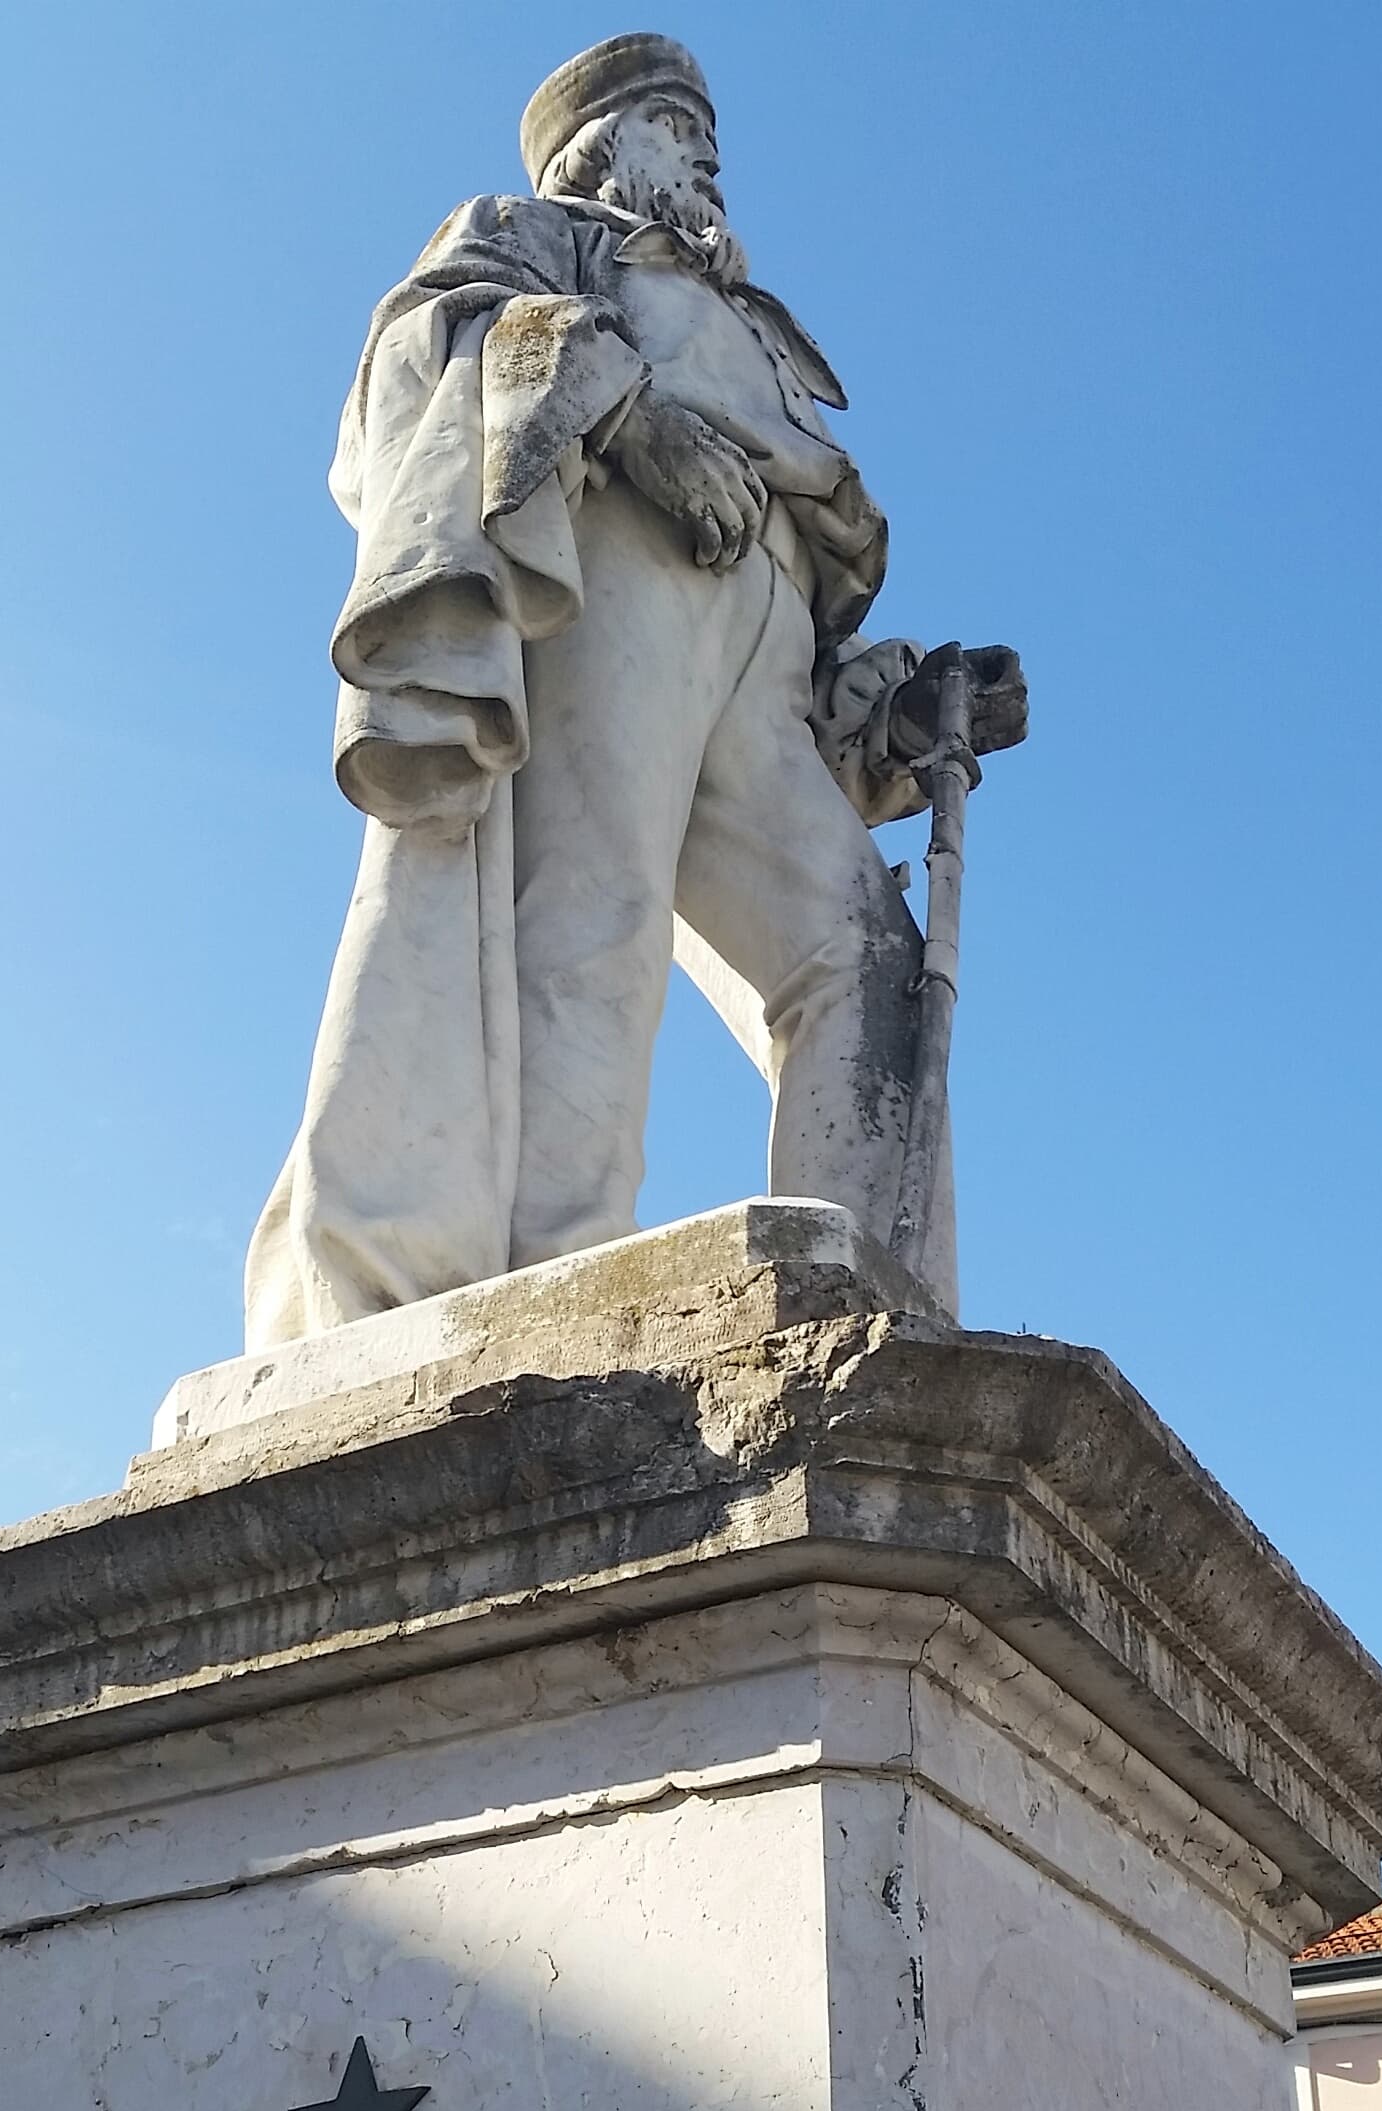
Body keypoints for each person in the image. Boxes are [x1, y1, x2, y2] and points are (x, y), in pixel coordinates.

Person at [246, 31, 952, 1345]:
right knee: (594, 916)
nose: (710, 162)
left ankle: (873, 1314)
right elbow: (425, 352)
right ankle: (551, 1287)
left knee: (870, 958)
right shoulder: (535, 230)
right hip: (612, 560)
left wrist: (895, 712)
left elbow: (814, 652)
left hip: (764, 637)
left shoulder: (760, 334)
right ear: (603, 147)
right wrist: (627, 413)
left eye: (707, 140)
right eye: (683, 134)